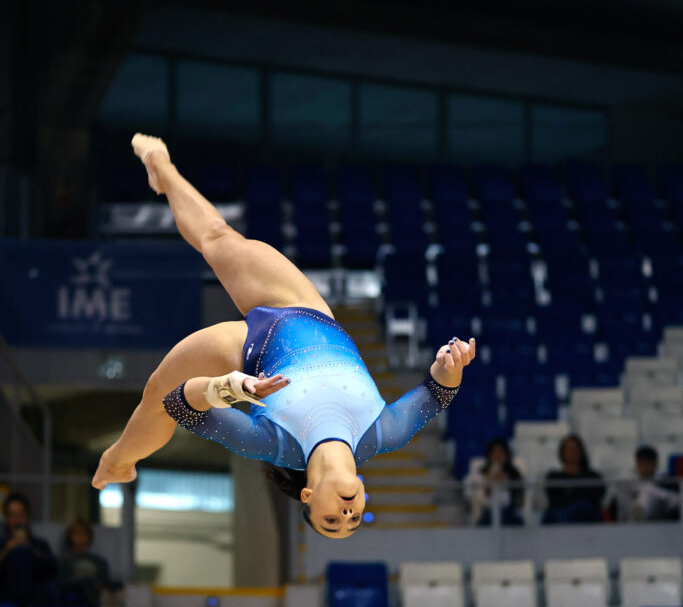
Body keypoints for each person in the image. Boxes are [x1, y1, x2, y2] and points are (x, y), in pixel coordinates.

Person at [92, 135, 476, 539]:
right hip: (302, 310)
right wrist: (447, 367)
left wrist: (232, 387)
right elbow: (437, 396)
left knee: (155, 392)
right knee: (219, 237)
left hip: (244, 351)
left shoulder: (273, 444)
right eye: (354, 520)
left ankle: (118, 459)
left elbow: (181, 405)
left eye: (332, 521)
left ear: (308, 495)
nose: (347, 515)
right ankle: (163, 168)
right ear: (363, 494)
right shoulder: (383, 433)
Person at [0, 491, 57, 607]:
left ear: (27, 516)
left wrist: (30, 549)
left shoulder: (39, 544)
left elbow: (53, 570)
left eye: (21, 514)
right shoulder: (2, 544)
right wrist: (8, 549)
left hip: (35, 594)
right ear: (7, 518)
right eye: (12, 515)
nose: (17, 519)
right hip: (6, 593)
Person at [58, 518, 116, 607]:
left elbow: (106, 581)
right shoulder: (64, 560)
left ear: (89, 537)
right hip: (77, 592)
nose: (80, 537)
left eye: (83, 534)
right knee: (87, 586)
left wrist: (99, 585)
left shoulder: (99, 561)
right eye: (76, 534)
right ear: (70, 536)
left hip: (98, 592)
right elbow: (62, 581)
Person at [542, 434, 605, 524]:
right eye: (568, 450)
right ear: (562, 452)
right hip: (560, 516)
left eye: (574, 449)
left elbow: (594, 499)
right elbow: (555, 499)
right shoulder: (554, 477)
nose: (571, 453)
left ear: (581, 452)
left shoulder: (593, 477)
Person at [607, 445, 680, 522]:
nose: (646, 466)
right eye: (642, 462)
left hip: (658, 522)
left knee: (649, 491)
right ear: (637, 463)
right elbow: (613, 506)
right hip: (629, 523)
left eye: (649, 462)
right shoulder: (625, 483)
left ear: (655, 464)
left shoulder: (666, 482)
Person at [468, 437, 524, 526]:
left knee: (514, 520)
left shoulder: (514, 474)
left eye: (501, 453)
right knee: (487, 517)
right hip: (488, 511)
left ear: (507, 455)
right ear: (489, 455)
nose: (498, 456)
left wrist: (504, 481)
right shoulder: (480, 474)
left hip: (508, 512)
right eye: (495, 453)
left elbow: (518, 499)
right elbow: (479, 500)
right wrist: (490, 480)